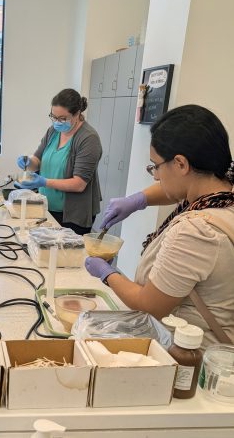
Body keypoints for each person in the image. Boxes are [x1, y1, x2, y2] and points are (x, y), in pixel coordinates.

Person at [85, 105, 234, 348]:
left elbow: (149, 305)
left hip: (192, 355)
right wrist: (138, 200)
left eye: (155, 166)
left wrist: (107, 273)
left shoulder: (196, 232)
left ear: (180, 164)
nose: (155, 177)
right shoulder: (222, 189)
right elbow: (176, 191)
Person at [16, 88, 102, 235]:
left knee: (65, 255)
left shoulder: (88, 139)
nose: (57, 122)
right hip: (47, 208)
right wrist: (28, 162)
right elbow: (37, 159)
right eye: (53, 117)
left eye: (62, 118)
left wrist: (44, 182)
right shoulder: (53, 131)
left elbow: (79, 184)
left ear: (77, 114)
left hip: (72, 216)